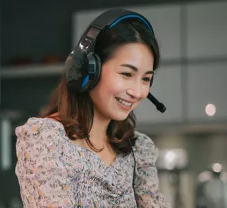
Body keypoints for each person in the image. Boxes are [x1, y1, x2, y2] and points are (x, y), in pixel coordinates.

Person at [15, 9, 171, 208]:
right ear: (88, 69)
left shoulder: (138, 149)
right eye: (126, 74)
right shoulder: (46, 139)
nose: (137, 91)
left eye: (146, 79)